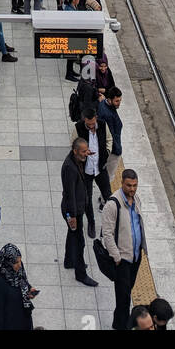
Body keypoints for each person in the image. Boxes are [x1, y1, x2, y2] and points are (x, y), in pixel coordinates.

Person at [101, 168, 147, 331]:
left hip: (135, 257)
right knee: (124, 299)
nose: (132, 189)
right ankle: (122, 326)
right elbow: (107, 233)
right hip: (122, 260)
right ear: (122, 183)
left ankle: (117, 323)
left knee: (126, 293)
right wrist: (117, 257)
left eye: (135, 185)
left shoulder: (137, 200)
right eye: (129, 185)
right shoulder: (113, 204)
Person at [60, 138, 97, 286]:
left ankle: (69, 260)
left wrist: (88, 153)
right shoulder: (70, 167)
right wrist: (73, 216)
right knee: (79, 241)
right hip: (72, 211)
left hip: (76, 209)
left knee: (72, 235)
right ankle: (80, 273)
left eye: (86, 151)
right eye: (83, 151)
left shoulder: (75, 159)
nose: (85, 154)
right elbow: (70, 194)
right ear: (75, 151)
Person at [74, 108, 108, 239]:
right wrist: (82, 154)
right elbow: (73, 145)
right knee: (87, 198)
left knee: (108, 196)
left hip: (100, 168)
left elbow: (108, 139)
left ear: (96, 117)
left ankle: (106, 226)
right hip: (86, 170)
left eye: (93, 123)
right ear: (84, 120)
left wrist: (107, 152)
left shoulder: (103, 125)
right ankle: (91, 223)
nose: (91, 126)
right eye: (89, 124)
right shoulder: (78, 128)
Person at [0, 243, 37, 330]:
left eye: (20, 261)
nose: (19, 265)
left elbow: (22, 280)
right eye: (15, 262)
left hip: (23, 314)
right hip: (11, 321)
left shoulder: (18, 267)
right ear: (7, 262)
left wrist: (29, 289)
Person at [98, 87, 124, 161]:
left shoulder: (104, 103)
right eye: (117, 101)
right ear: (109, 100)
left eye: (120, 100)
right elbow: (111, 135)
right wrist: (118, 150)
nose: (119, 103)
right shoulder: (108, 115)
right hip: (113, 152)